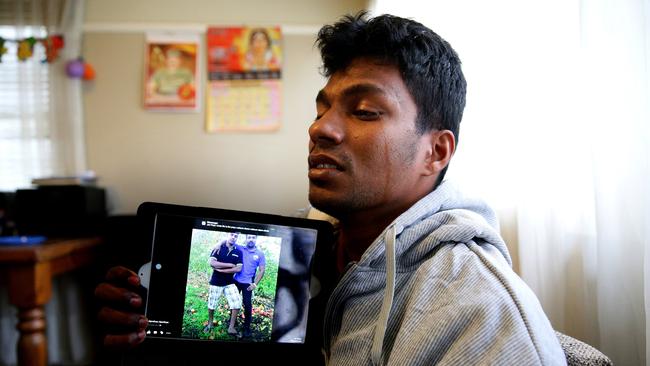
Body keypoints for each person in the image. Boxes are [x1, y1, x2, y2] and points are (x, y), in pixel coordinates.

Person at [95, 12, 566, 365]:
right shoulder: (307, 245)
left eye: (363, 111)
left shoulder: (478, 314)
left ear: (436, 152)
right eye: (322, 109)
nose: (321, 129)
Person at [205, 232, 243, 335]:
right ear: (227, 235)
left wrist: (222, 270)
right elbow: (212, 263)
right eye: (232, 234)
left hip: (229, 282)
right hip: (216, 282)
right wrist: (230, 265)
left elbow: (238, 268)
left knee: (237, 303)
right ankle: (210, 323)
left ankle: (231, 328)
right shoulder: (218, 248)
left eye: (236, 236)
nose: (234, 237)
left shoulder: (238, 252)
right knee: (212, 304)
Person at [233, 234, 266, 338]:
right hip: (236, 281)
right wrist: (218, 245)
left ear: (256, 239)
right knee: (234, 302)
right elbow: (228, 241)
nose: (251, 239)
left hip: (248, 284)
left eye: (253, 237)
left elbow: (262, 270)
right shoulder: (240, 248)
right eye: (249, 237)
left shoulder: (260, 254)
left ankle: (247, 327)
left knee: (247, 304)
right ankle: (232, 321)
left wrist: (254, 284)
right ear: (246, 239)